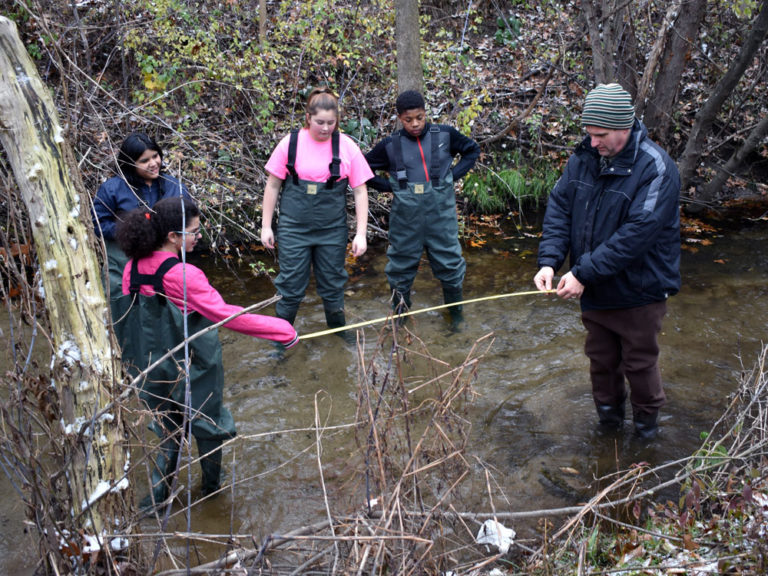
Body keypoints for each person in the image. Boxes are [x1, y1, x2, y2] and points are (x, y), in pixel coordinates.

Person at [115, 197, 298, 512]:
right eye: (194, 231)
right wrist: (283, 331)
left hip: (149, 367)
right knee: (208, 425)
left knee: (167, 429)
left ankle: (155, 502)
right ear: (173, 237)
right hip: (192, 364)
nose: (199, 237)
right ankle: (212, 492)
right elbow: (228, 316)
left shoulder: (131, 267)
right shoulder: (184, 274)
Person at [532, 83, 681, 440]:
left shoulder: (656, 168)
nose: (593, 142)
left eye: (600, 135)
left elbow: (637, 234)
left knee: (640, 364)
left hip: (639, 290)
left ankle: (646, 437)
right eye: (589, 134)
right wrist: (550, 261)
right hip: (595, 288)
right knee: (601, 362)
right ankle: (609, 429)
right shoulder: (583, 159)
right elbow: (560, 209)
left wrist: (582, 273)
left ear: (623, 128)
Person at [261, 87, 372, 337]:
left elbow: (360, 191)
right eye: (320, 122)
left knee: (333, 285)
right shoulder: (290, 143)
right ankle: (281, 338)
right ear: (308, 117)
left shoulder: (346, 146)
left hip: (332, 231)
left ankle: (338, 333)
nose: (325, 128)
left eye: (331, 123)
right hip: (293, 230)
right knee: (290, 286)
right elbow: (273, 184)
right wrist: (266, 225)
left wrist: (361, 233)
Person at [364, 90, 480, 330]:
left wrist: (452, 176)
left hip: (442, 219)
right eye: (408, 120)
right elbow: (363, 170)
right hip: (406, 222)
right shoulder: (390, 145)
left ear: (426, 113)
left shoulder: (445, 135)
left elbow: (472, 150)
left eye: (419, 117)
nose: (415, 124)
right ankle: (401, 322)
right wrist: (389, 187)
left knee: (450, 266)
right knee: (399, 269)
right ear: (399, 118)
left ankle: (455, 321)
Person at [92, 132, 191, 304]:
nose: (153, 163)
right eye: (144, 161)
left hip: (167, 269)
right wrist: (132, 230)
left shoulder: (175, 187)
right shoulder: (111, 189)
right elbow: (98, 225)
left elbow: (189, 221)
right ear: (130, 164)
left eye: (155, 156)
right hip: (124, 267)